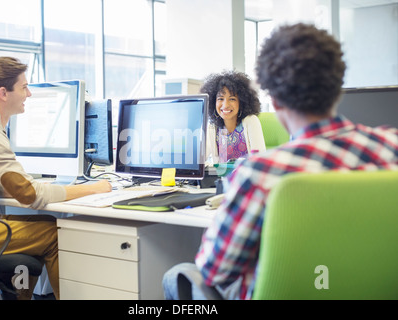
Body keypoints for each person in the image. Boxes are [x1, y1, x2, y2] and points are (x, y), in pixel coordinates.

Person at [163, 23, 398, 300]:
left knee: (175, 275)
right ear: (337, 87)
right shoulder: (392, 147)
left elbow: (214, 270)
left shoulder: (259, 174)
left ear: (272, 97)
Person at [0, 56, 112, 300]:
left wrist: (33, 186)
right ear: (3, 93)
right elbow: (30, 196)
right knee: (53, 235)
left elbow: (7, 186)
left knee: (40, 227)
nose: (29, 94)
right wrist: (96, 188)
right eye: (24, 87)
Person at [201, 70, 266, 164]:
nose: (225, 105)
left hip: (246, 176)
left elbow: (260, 161)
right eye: (220, 99)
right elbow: (200, 158)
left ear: (242, 101)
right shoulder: (213, 126)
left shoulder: (251, 121)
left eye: (232, 99)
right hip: (222, 178)